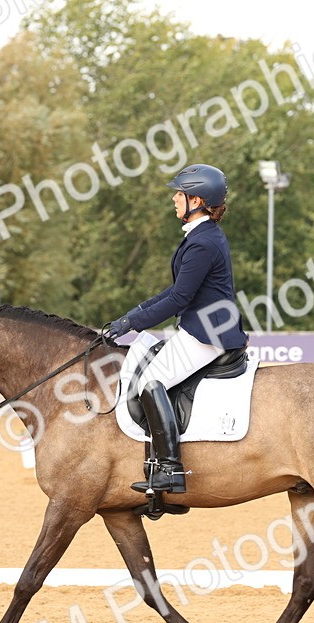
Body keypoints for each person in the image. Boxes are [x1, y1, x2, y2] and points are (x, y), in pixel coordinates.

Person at [104, 164, 248, 496]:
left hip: (208, 333)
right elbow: (173, 292)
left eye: (179, 194)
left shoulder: (203, 242)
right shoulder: (200, 236)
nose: (173, 199)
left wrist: (135, 323)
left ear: (196, 200)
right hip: (203, 327)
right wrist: (132, 316)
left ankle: (170, 469)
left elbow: (180, 297)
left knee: (150, 382)